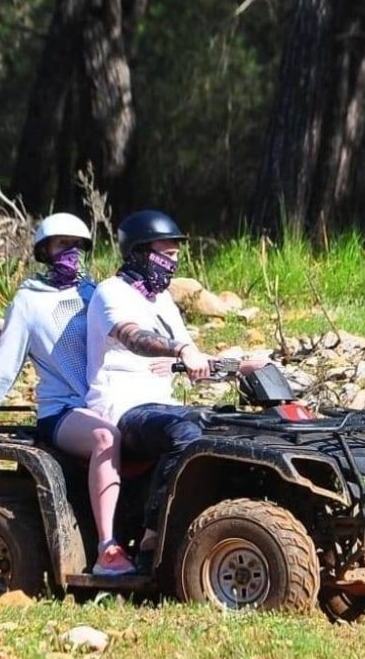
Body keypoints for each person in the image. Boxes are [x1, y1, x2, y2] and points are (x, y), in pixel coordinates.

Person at [0, 212, 136, 576]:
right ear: (45, 251)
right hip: (63, 413)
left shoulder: (96, 295)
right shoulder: (29, 303)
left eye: (77, 246)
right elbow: (2, 368)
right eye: (62, 245)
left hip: (106, 402)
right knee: (105, 437)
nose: (70, 253)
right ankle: (107, 549)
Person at [86, 210, 263, 568]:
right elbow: (134, 337)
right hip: (121, 408)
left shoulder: (163, 302)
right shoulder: (111, 293)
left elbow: (194, 361)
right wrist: (179, 350)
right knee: (184, 430)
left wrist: (240, 366)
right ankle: (155, 538)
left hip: (160, 406)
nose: (173, 263)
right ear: (138, 253)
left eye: (176, 257)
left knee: (230, 426)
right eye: (166, 255)